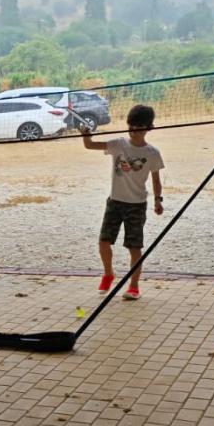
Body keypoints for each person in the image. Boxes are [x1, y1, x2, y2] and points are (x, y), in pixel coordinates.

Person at [82, 103, 165, 300]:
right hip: (115, 202)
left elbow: (156, 180)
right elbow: (90, 145)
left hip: (137, 205)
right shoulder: (118, 144)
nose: (134, 131)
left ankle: (134, 286)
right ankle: (108, 274)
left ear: (148, 128)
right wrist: (85, 134)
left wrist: (158, 200)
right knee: (103, 242)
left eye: (139, 128)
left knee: (134, 247)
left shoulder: (152, 153)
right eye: (131, 127)